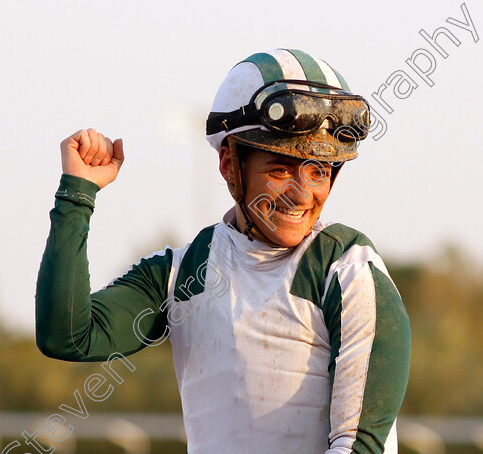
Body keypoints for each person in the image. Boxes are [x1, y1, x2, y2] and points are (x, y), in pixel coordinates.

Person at [35, 48, 411, 453]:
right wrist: (77, 194)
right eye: (280, 169)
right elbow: (67, 337)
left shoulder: (349, 270)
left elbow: (359, 446)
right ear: (229, 164)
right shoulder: (182, 272)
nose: (302, 194)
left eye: (318, 170)